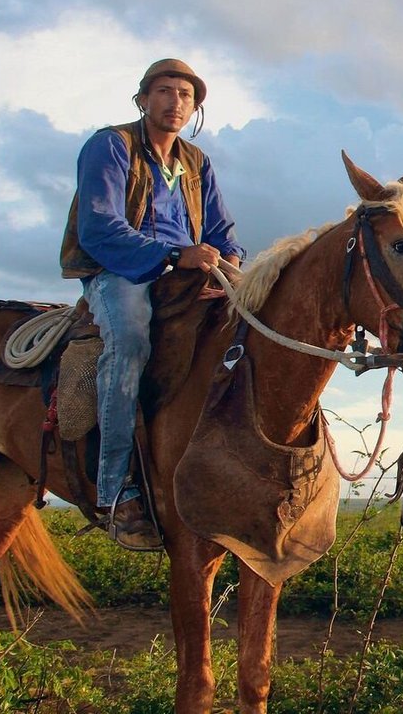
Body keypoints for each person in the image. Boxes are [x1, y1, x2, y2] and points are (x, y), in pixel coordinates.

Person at [60, 59, 244, 550]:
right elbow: (99, 226)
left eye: (186, 95)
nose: (175, 101)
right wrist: (173, 255)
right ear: (143, 99)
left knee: (247, 328)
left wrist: (228, 263)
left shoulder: (197, 162)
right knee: (131, 341)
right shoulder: (111, 145)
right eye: (164, 91)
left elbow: (222, 231)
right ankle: (115, 489)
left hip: (189, 271)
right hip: (120, 270)